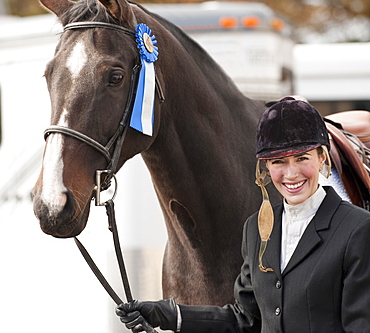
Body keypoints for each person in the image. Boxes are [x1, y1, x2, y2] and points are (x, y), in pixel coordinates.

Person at [116, 97, 370, 332]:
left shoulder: (358, 230)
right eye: (278, 162)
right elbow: (244, 319)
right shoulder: (256, 229)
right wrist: (167, 315)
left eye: (301, 158)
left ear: (322, 158)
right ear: (266, 167)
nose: (291, 174)